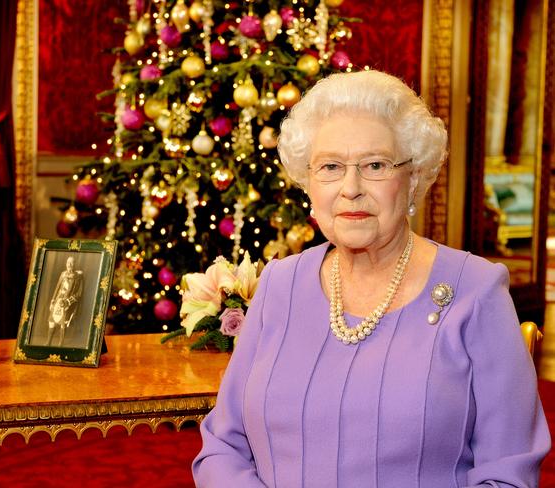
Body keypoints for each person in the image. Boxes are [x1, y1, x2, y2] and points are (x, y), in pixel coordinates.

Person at [192, 70, 550, 487]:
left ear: (413, 178)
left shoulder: (476, 292)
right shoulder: (278, 285)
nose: (351, 188)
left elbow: (507, 474)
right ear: (309, 183)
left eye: (375, 165)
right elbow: (223, 446)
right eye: (330, 167)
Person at [45, 256, 83, 347]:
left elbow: (79, 293)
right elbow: (57, 287)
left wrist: (68, 302)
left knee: (63, 323)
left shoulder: (78, 277)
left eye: (71, 263)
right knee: (51, 320)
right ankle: (48, 342)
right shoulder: (63, 274)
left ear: (75, 264)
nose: (69, 265)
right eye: (67, 263)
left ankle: (60, 344)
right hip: (58, 300)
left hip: (67, 303)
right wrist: (53, 300)